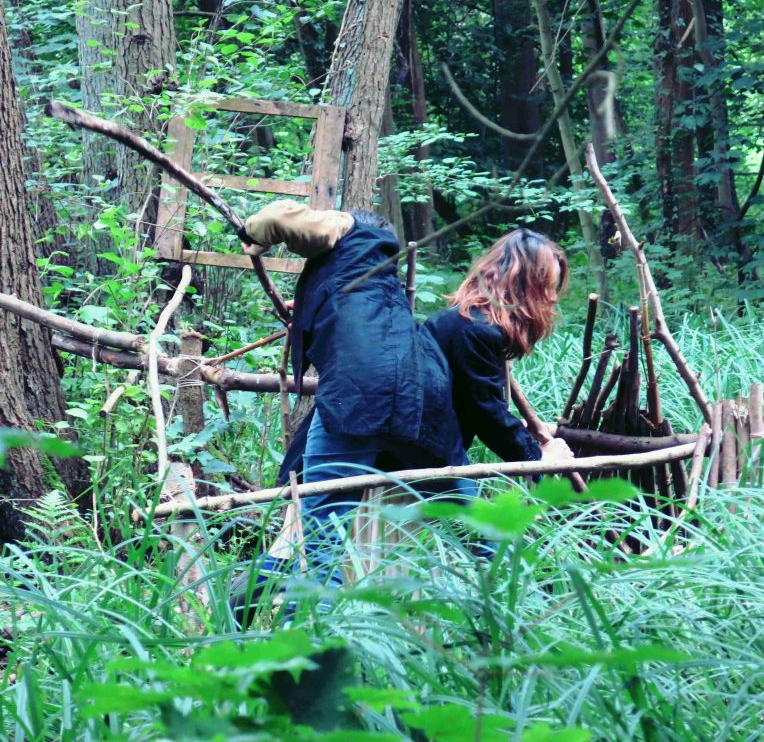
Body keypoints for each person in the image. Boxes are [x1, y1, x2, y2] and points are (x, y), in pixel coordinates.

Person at [229, 200, 572, 623]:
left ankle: (290, 641)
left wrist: (249, 236)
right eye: (549, 285)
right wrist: (538, 460)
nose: (553, 297)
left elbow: (276, 219)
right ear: (527, 283)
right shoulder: (372, 255)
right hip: (404, 425)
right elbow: (281, 217)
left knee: (318, 538)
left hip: (373, 417)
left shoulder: (361, 251)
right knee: (468, 531)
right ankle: (524, 611)